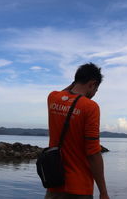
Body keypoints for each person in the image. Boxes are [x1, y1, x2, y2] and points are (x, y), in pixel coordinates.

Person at [45, 63, 109, 199]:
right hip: (79, 188)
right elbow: (93, 152)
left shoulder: (53, 98)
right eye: (96, 90)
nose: (94, 95)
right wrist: (103, 192)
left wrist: (76, 82)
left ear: (76, 80)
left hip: (54, 183)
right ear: (92, 84)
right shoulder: (90, 107)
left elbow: (64, 94)